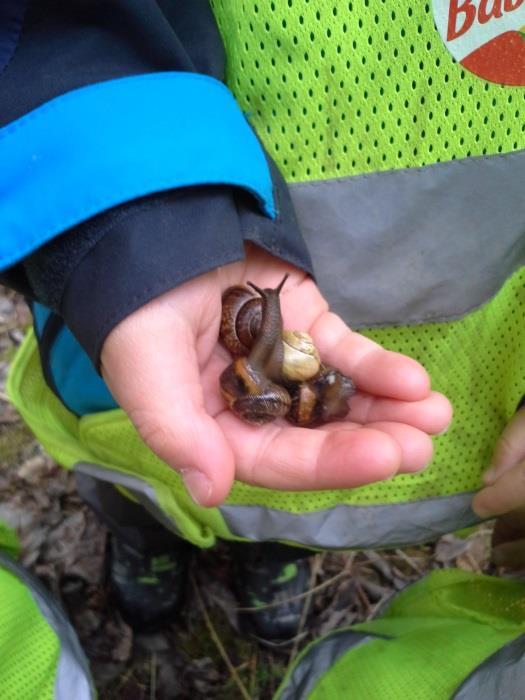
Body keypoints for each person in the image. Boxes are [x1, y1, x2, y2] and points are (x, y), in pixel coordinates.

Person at [0, 0, 523, 657]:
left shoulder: (281, 362)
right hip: (119, 320)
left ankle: (270, 551)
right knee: (135, 481)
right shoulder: (257, 343)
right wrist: (137, 226)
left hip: (435, 366)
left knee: (279, 503)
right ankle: (142, 539)